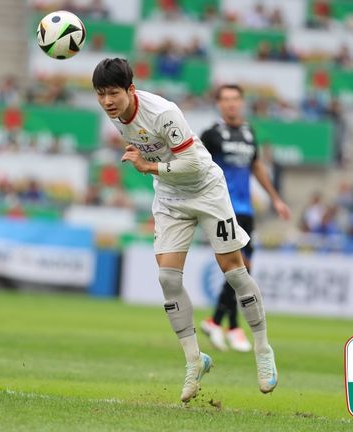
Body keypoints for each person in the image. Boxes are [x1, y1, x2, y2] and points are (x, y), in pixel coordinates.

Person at [92, 58, 278, 402]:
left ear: (130, 90)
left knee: (235, 272)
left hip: (206, 190)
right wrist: (146, 161)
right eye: (101, 94)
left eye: (113, 93)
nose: (106, 101)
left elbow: (192, 161)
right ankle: (195, 360)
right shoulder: (116, 115)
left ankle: (263, 349)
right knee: (167, 279)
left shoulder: (163, 112)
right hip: (169, 196)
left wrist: (147, 165)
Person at [199, 84, 291, 353]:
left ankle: (228, 325)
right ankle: (219, 322)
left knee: (240, 269)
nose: (231, 104)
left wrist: (274, 197)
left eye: (235, 99)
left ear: (241, 102)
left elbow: (256, 166)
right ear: (219, 104)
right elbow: (196, 164)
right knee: (240, 267)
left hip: (246, 209)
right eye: (225, 99)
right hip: (222, 208)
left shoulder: (249, 132)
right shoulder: (211, 134)